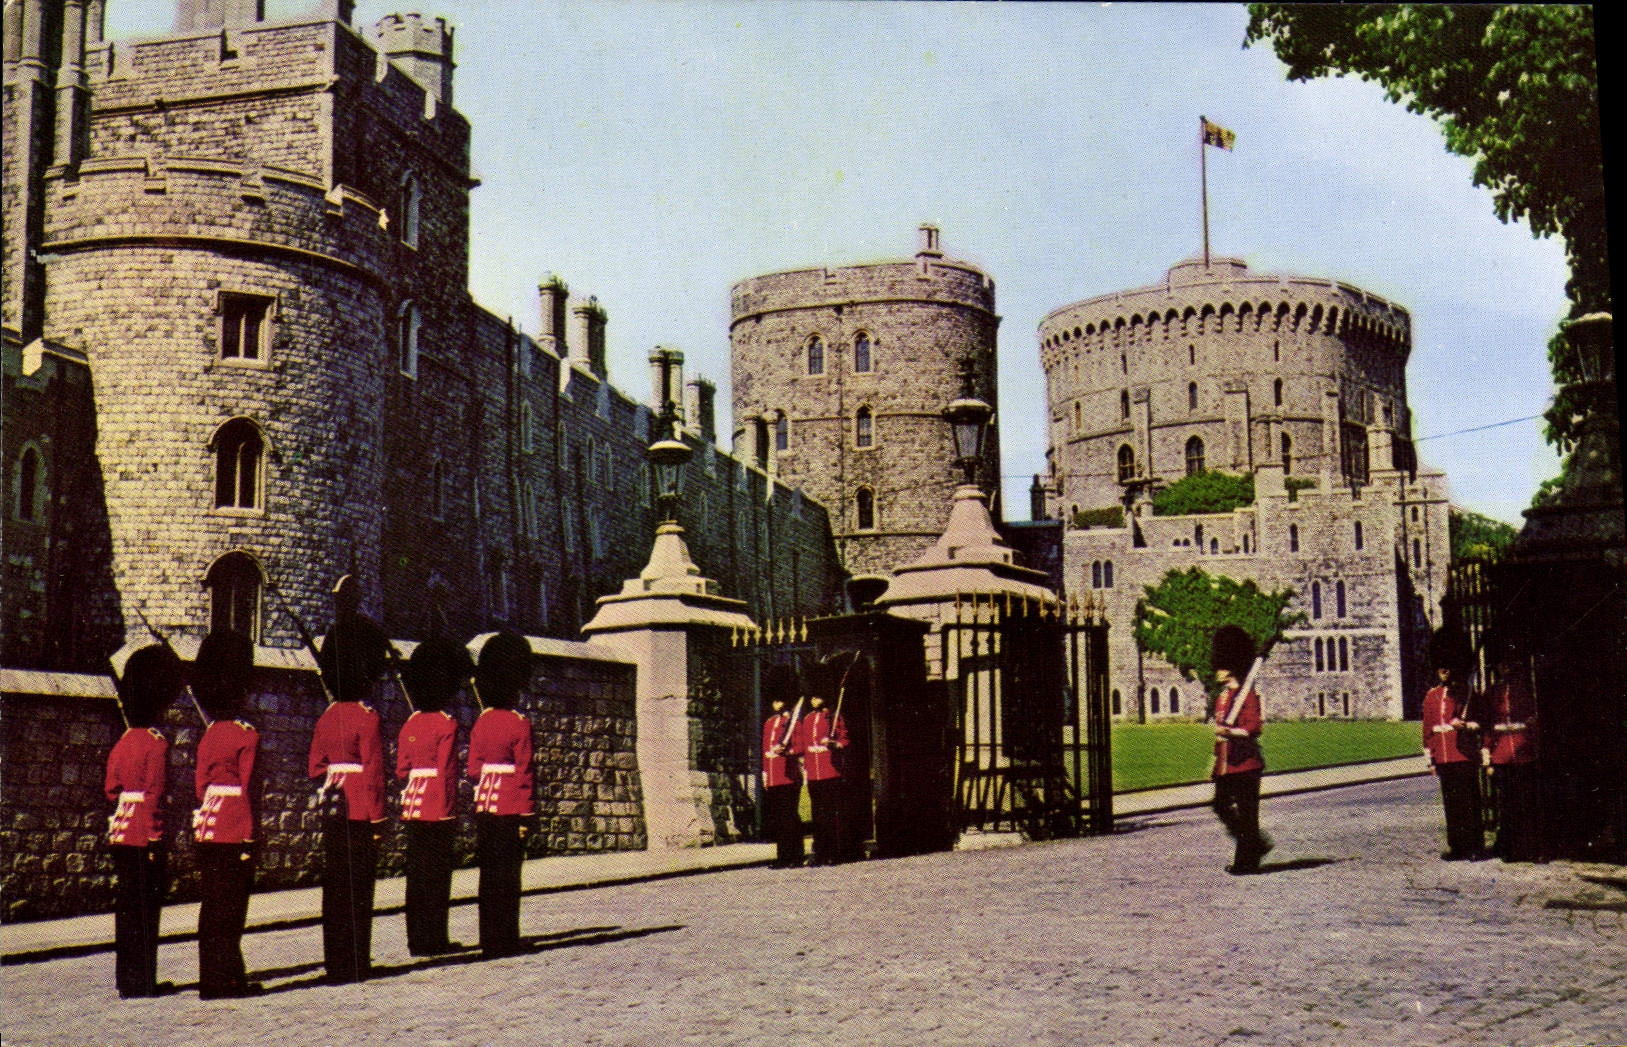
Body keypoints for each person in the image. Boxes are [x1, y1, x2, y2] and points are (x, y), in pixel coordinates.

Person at [308, 575, 389, 984]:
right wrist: (378, 820)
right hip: (359, 809)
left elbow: (314, 768)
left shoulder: (327, 716)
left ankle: (334, 963)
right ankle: (357, 961)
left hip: (333, 808)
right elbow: (374, 772)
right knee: (359, 892)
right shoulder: (367, 717)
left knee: (335, 889)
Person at [104, 642, 184, 998]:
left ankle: (127, 980)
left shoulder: (122, 742)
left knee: (126, 911)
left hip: (120, 831)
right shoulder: (156, 743)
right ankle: (145, 981)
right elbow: (154, 795)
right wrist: (155, 838)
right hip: (143, 834)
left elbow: (110, 790)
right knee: (146, 910)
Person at [191, 629, 264, 999]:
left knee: (211, 906)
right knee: (232, 909)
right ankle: (230, 980)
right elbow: (248, 787)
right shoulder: (246, 735)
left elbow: (201, 786)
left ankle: (212, 978)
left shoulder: (208, 734)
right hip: (235, 825)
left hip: (207, 825)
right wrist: (250, 835)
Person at [396, 636, 472, 955]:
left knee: (416, 876)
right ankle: (435, 938)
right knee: (437, 876)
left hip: (412, 805)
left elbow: (401, 770)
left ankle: (416, 939)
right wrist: (448, 810)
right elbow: (447, 771)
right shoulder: (446, 724)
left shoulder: (410, 723)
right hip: (437, 806)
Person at [468, 630, 536, 958]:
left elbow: (472, 771)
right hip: (510, 804)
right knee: (508, 877)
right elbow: (524, 773)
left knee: (488, 875)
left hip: (485, 804)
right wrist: (527, 814)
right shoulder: (520, 724)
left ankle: (488, 938)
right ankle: (506, 938)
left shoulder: (481, 722)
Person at [1210, 624, 1272, 875]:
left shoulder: (1247, 696)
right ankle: (1255, 844)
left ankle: (1246, 862)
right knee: (1221, 805)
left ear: (1230, 668)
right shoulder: (1224, 697)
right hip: (1226, 763)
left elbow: (1253, 727)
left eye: (1221, 666)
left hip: (1246, 763)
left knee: (1248, 815)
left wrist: (1230, 732)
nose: (1217, 671)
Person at [1421, 627, 1484, 861]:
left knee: (1469, 802)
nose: (1443, 671)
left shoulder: (1466, 693)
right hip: (1445, 757)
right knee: (1452, 804)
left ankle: (1475, 845)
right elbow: (1428, 730)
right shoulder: (1431, 696)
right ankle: (1457, 845)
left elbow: (1480, 722)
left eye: (1446, 667)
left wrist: (1466, 726)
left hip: (1463, 754)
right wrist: (1431, 760)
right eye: (1440, 667)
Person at [1483, 640, 1541, 862]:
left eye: (1508, 663)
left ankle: (1527, 847)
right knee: (1506, 805)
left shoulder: (1524, 691)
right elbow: (1489, 726)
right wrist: (1487, 753)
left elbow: (1533, 720)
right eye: (1500, 664)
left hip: (1522, 751)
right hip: (1501, 755)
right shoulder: (1492, 693)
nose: (1504, 668)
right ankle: (1509, 847)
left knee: (1525, 803)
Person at [794, 690, 848, 866]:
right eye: (812, 696)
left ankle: (834, 852)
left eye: (817, 695)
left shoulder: (833, 716)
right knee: (817, 814)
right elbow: (803, 744)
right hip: (813, 774)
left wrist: (834, 744)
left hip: (830, 770)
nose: (813, 699)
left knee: (831, 814)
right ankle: (820, 852)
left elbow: (844, 739)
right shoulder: (808, 718)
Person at [761, 695, 805, 868]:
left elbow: (801, 747)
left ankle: (795, 855)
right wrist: (765, 774)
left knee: (789, 817)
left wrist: (787, 751)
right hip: (773, 777)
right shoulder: (769, 723)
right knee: (778, 819)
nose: (776, 702)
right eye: (774, 699)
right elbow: (765, 750)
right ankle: (783, 856)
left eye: (779, 699)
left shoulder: (794, 723)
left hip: (788, 776)